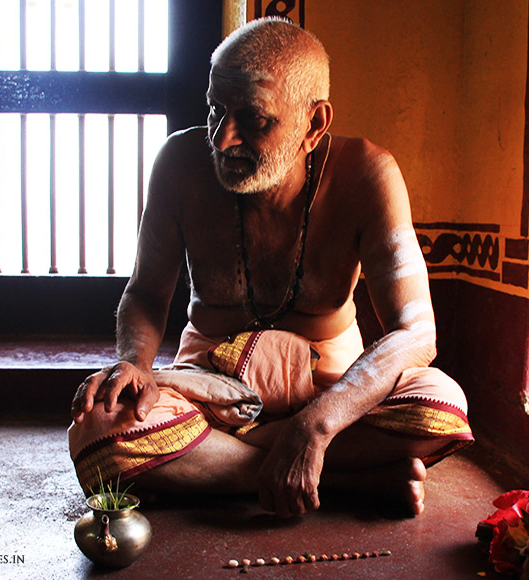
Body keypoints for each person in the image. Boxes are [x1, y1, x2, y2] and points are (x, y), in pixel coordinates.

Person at [68, 17, 472, 519]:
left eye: (254, 120)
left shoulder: (367, 174)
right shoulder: (178, 164)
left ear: (314, 125)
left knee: (440, 405)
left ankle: (219, 470)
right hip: (207, 390)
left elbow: (417, 333)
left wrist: (318, 423)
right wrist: (136, 364)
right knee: (99, 426)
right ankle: (344, 480)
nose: (221, 139)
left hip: (332, 390)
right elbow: (147, 292)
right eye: (216, 110)